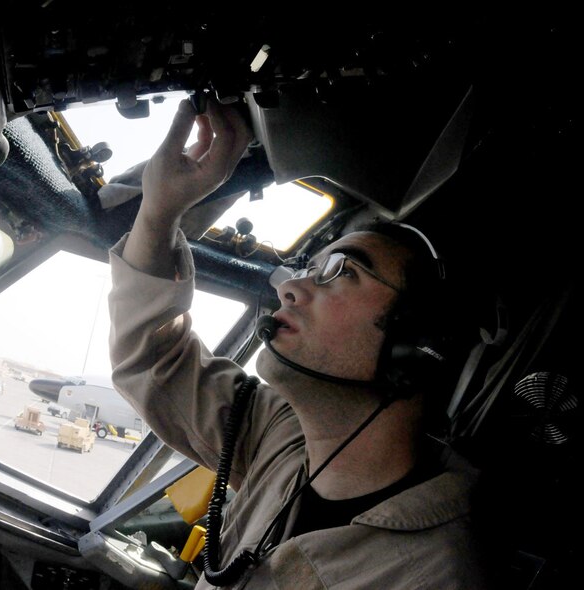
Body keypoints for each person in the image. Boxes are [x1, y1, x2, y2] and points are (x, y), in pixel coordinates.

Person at [107, 98, 491, 589]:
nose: (288, 287)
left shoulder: (434, 577)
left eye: (341, 272)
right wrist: (161, 211)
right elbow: (152, 356)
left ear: (416, 343)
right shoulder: (280, 436)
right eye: (308, 268)